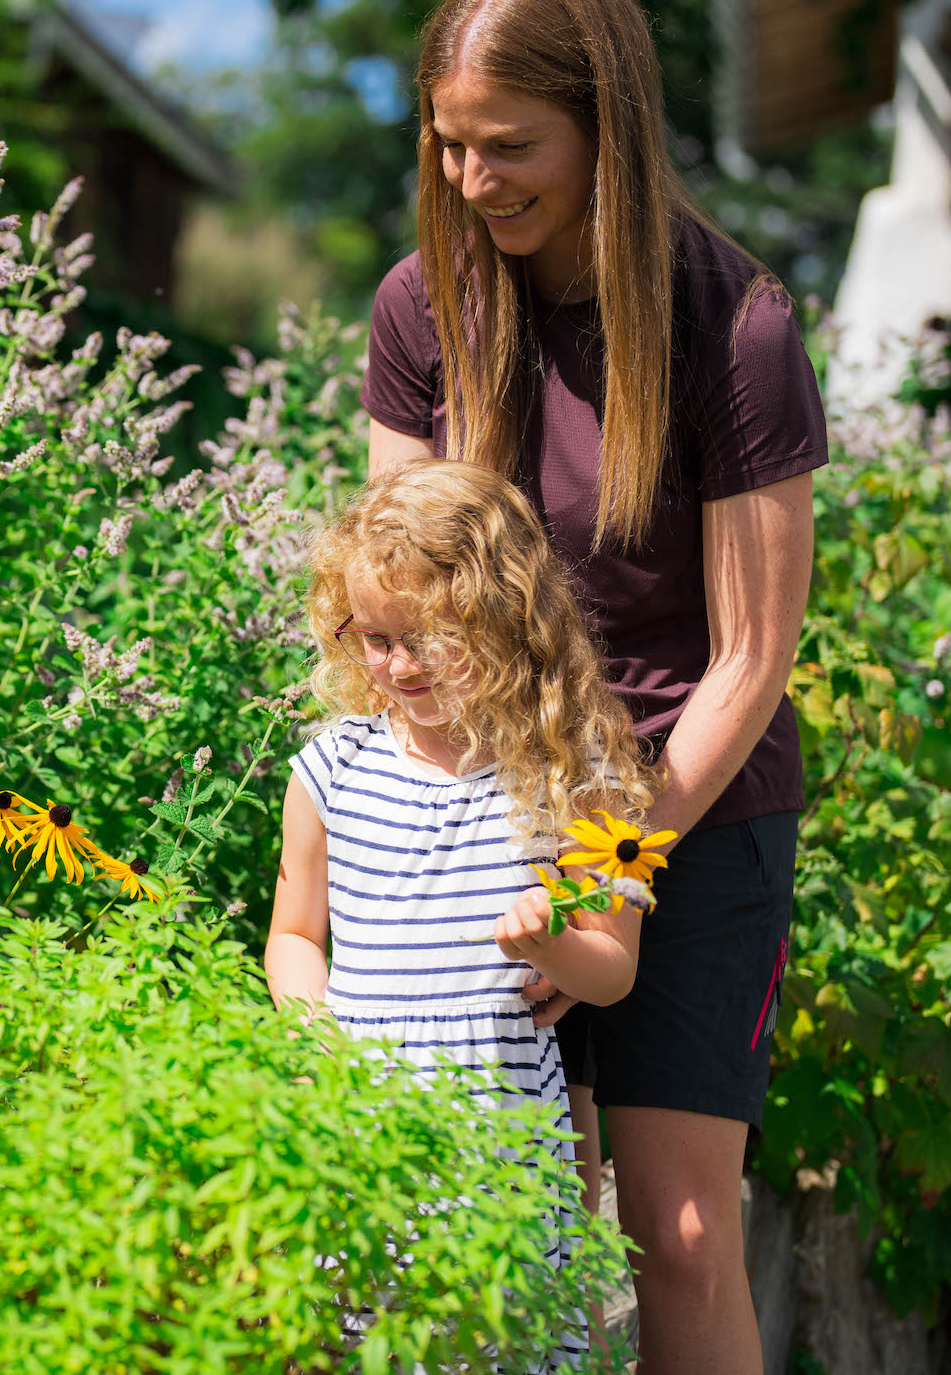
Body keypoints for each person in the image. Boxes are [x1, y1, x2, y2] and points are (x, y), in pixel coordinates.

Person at [359, 0, 827, 1375]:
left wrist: (597, 866)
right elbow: (397, 583)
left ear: (605, 129)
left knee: (678, 1240)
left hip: (688, 815)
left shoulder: (731, 324)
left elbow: (748, 657)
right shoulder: (423, 305)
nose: (475, 181)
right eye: (449, 144)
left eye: (512, 147)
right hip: (489, 820)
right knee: (507, 1229)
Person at [267, 458, 661, 1372]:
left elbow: (615, 966)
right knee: (365, 1341)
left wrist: (554, 945)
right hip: (363, 1127)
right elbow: (294, 933)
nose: (397, 666)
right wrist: (315, 1033)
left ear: (505, 621)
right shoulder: (331, 771)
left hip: (502, 1139)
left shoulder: (572, 771)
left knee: (506, 1343)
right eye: (374, 638)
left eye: (428, 640)